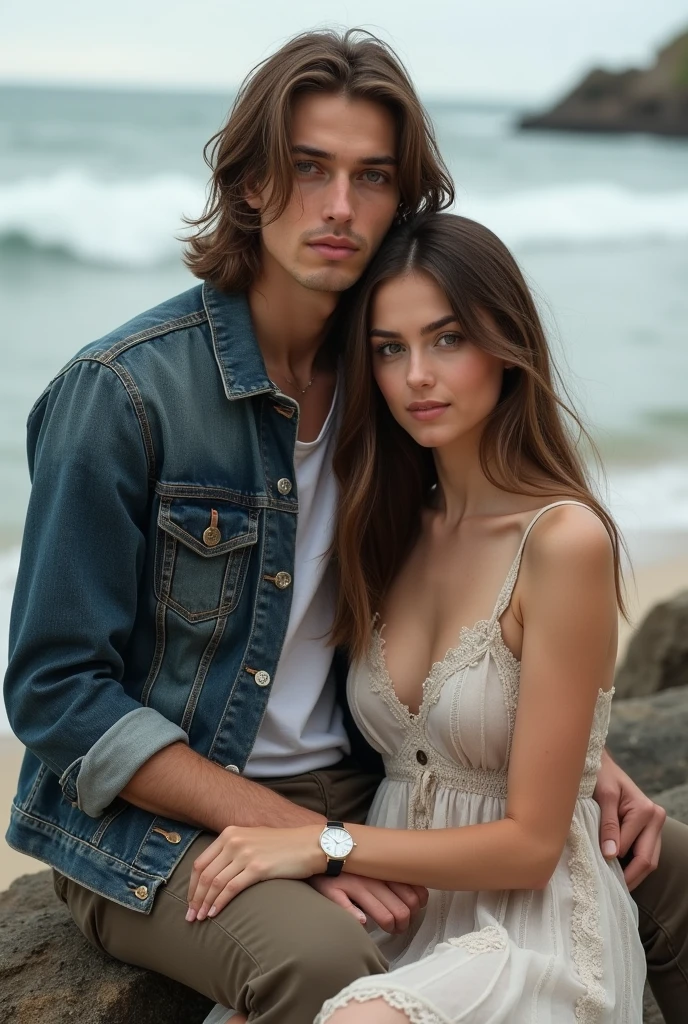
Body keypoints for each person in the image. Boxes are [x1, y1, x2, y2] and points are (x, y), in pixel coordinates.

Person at [2, 28, 684, 1024]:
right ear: (247, 185)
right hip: (162, 825)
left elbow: (474, 604)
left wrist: (563, 733)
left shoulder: (393, 386)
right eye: (308, 168)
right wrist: (286, 831)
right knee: (324, 963)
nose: (338, 207)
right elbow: (56, 691)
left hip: (363, 786)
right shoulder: (125, 395)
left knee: (660, 870)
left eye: (371, 178)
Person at [190, 213, 647, 1023]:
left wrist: (323, 841)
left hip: (528, 933)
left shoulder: (563, 540)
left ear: (507, 345)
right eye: (390, 349)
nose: (417, 377)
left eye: (447, 340)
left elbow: (534, 845)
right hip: (397, 916)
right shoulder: (387, 528)